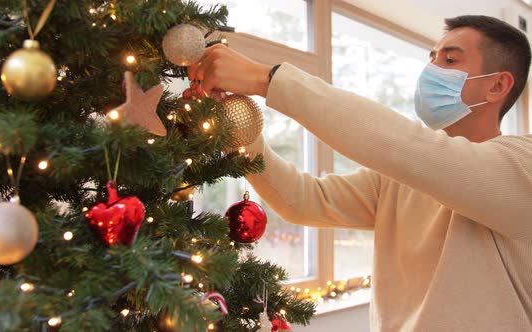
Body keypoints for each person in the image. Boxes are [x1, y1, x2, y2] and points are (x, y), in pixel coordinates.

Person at [188, 15, 532, 331]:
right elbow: (304, 200)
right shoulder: (398, 180)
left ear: (498, 86)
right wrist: (238, 128)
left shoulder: (521, 166)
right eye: (432, 57)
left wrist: (266, 79)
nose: (431, 69)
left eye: (450, 60)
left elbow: (401, 145)